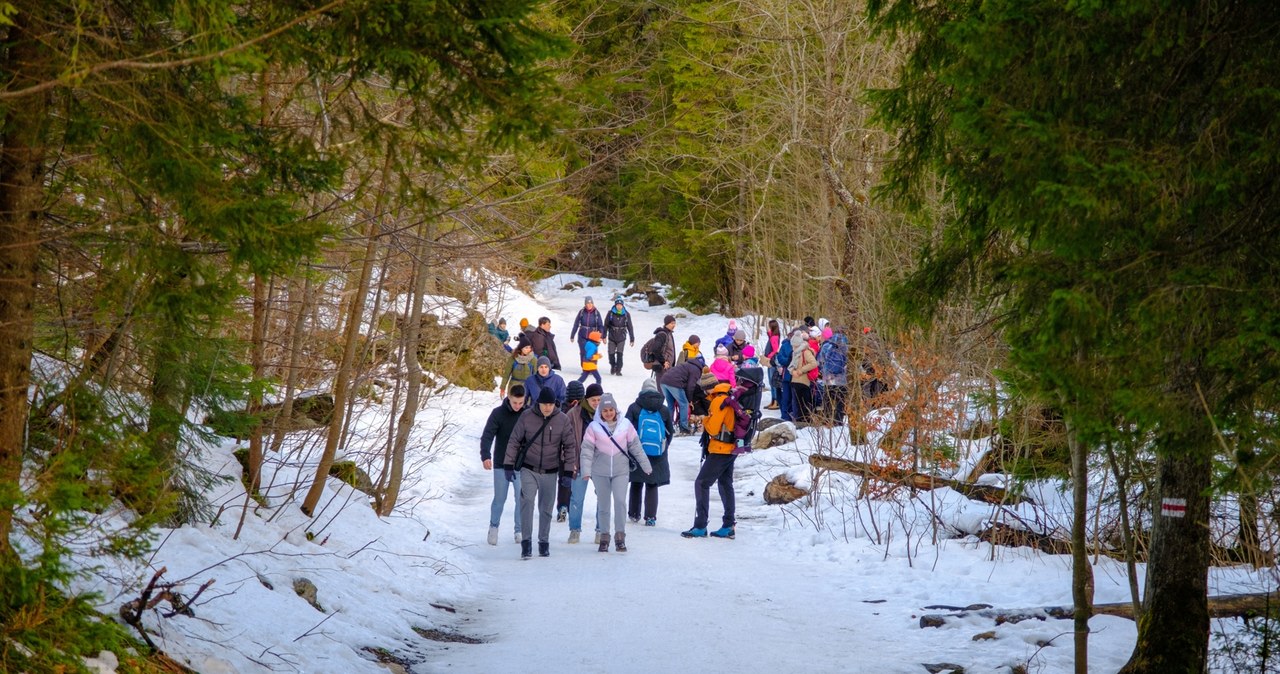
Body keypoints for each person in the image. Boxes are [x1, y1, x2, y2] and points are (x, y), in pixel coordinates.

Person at [504, 387, 578, 559]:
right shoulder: (527, 417)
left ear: (555, 404)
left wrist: (567, 471)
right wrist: (508, 464)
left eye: (550, 404)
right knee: (527, 503)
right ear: (539, 403)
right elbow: (514, 440)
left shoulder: (562, 419)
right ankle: (526, 543)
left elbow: (569, 446)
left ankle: (543, 542)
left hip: (550, 470)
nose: (547, 408)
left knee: (546, 509)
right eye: (544, 404)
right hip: (529, 468)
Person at [579, 393, 652, 552]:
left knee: (620, 502)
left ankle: (620, 537)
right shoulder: (594, 427)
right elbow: (586, 450)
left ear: (615, 410)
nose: (608, 413)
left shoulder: (625, 425)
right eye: (605, 410)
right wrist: (586, 470)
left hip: (621, 470)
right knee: (603, 505)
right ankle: (604, 537)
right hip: (600, 472)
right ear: (600, 412)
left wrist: (646, 465)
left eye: (611, 409)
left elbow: (635, 446)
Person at [682, 378, 739, 539]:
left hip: (720, 448)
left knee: (701, 483)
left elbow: (713, 429)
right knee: (725, 483)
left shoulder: (719, 401)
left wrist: (705, 419)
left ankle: (700, 525)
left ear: (709, 389)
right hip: (732, 448)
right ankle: (728, 525)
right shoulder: (730, 397)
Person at [480, 384, 526, 545]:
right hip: (501, 463)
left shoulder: (528, 414)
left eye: (521, 403)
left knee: (522, 498)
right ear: (509, 398)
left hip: (522, 465)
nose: (517, 406)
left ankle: (519, 530)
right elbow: (487, 435)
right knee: (500, 498)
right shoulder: (498, 413)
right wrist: (485, 455)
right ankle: (493, 527)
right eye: (515, 403)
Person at [626, 379, 673, 526]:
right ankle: (651, 517)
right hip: (658, 453)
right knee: (652, 484)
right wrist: (664, 447)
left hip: (637, 452)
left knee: (636, 482)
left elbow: (626, 430)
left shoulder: (634, 407)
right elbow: (670, 432)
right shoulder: (663, 409)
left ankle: (634, 514)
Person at [567, 383, 603, 543]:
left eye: (599, 400)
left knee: (602, 497)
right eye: (593, 400)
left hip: (600, 463)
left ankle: (600, 530)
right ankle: (575, 530)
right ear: (586, 399)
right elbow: (566, 440)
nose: (596, 403)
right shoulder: (574, 414)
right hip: (579, 461)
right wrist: (569, 460)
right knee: (576, 498)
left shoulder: (607, 413)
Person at [556, 380, 586, 523]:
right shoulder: (581, 411)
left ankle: (562, 505)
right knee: (574, 479)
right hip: (576, 451)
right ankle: (570, 506)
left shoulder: (561, 409)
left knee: (563, 480)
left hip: (562, 451)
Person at [660, 354, 704, 434]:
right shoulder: (696, 370)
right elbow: (690, 386)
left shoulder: (686, 364)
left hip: (663, 381)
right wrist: (689, 400)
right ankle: (684, 428)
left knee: (671, 405)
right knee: (684, 404)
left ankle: (668, 426)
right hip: (674, 383)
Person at [818, 327, 850, 424]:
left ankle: (827, 420)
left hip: (828, 378)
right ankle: (838, 421)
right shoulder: (846, 347)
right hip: (841, 380)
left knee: (827, 399)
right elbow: (848, 363)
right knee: (840, 401)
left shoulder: (826, 346)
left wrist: (824, 371)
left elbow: (820, 360)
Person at [787, 330, 819, 423]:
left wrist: (801, 371)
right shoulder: (795, 352)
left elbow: (813, 363)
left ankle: (805, 421)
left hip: (803, 381)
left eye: (794, 345)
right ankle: (800, 421)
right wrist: (792, 371)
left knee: (803, 403)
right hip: (795, 380)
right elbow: (791, 365)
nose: (793, 347)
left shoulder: (805, 351)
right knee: (797, 403)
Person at [569, 297, 605, 368]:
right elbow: (576, 324)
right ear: (585, 304)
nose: (589, 305)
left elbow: (600, 325)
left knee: (592, 352)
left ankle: (592, 367)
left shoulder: (596, 313)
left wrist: (602, 336)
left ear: (593, 303)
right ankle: (584, 367)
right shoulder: (581, 312)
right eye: (587, 303)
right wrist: (572, 335)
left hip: (593, 337)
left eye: (590, 303)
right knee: (583, 352)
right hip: (582, 335)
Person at [604, 296, 635, 375]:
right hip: (612, 336)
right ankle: (613, 365)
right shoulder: (610, 313)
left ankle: (618, 370)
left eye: (620, 305)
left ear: (623, 305)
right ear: (615, 305)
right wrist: (604, 336)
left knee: (620, 354)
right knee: (611, 354)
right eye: (617, 305)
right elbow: (606, 325)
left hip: (621, 337)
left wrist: (632, 338)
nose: (619, 306)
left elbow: (630, 327)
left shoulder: (626, 314)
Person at [644, 315, 677, 381]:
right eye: (671, 323)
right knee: (661, 388)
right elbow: (655, 349)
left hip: (667, 367)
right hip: (662, 367)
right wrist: (663, 362)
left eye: (674, 323)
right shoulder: (662, 334)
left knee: (665, 388)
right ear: (666, 324)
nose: (673, 325)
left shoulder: (669, 334)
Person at [763, 320, 782, 410]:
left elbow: (775, 350)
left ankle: (776, 401)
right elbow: (769, 334)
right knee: (771, 382)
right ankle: (773, 400)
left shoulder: (774, 337)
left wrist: (769, 356)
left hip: (772, 361)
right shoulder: (772, 336)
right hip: (770, 360)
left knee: (773, 382)